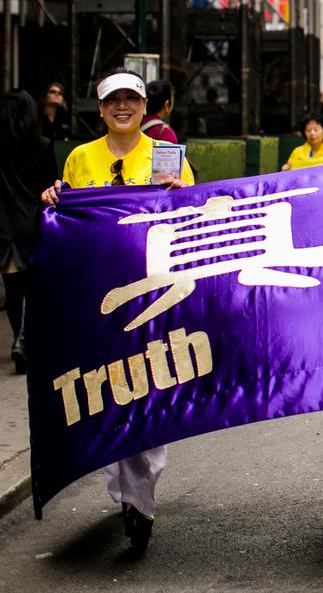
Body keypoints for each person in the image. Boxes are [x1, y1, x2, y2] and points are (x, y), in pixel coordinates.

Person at [39, 68, 192, 551]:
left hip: (154, 293)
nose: (122, 107)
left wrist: (177, 194)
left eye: (131, 99)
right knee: (110, 389)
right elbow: (70, 218)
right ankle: (128, 495)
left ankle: (140, 496)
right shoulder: (81, 157)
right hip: (98, 294)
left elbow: (191, 211)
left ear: (145, 108)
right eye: (112, 101)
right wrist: (53, 200)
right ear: (100, 109)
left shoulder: (167, 154)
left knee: (149, 389)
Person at [1, 90, 57, 374]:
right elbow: (50, 186)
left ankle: (19, 337)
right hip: (33, 222)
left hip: (4, 224)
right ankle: (27, 339)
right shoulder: (43, 145)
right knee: (33, 285)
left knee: (13, 288)